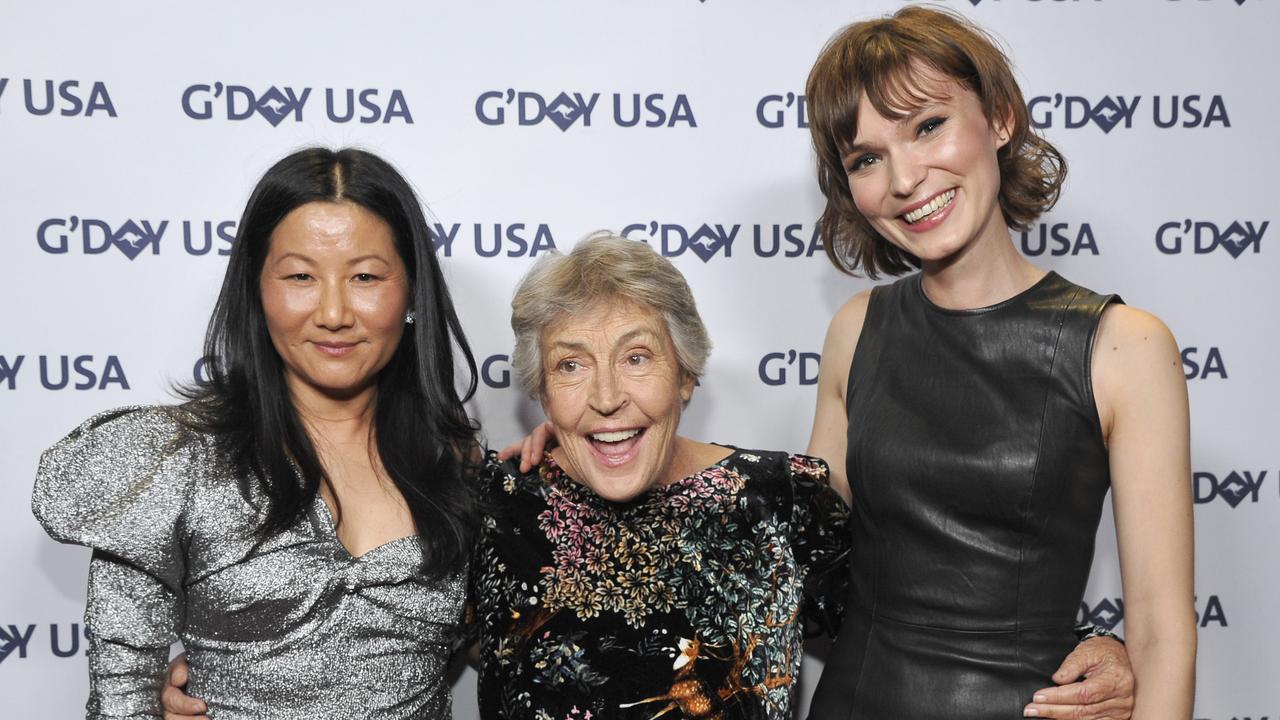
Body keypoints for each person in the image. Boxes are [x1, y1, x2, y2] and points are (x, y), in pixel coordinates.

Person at [800, 6, 1196, 719]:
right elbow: (806, 553)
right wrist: (597, 447)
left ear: (1001, 118)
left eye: (928, 126)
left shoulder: (1124, 346)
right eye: (866, 157)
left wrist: (1093, 644)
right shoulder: (857, 328)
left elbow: (1165, 634)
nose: (906, 178)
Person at [33, 147, 481, 719]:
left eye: (366, 276)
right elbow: (121, 705)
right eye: (300, 276)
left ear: (412, 291)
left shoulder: (460, 470)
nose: (335, 312)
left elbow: (520, 651)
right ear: (258, 289)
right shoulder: (173, 462)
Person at [471, 233, 852, 718]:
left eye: (636, 358)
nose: (606, 397)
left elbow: (901, 649)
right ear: (543, 393)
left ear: (686, 375)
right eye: (571, 365)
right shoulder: (498, 500)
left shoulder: (781, 496)